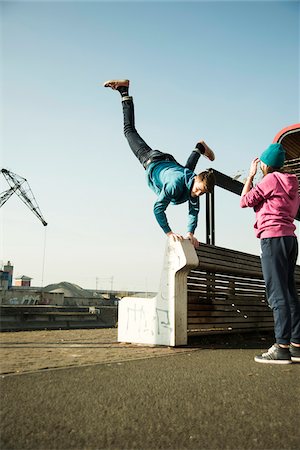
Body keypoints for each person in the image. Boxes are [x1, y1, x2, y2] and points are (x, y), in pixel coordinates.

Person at [103, 79, 216, 248]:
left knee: (186, 171)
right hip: (152, 159)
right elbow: (158, 209)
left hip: (173, 165)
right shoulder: (175, 185)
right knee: (129, 131)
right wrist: (169, 233)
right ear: (197, 180)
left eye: (202, 193)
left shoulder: (194, 185)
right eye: (199, 190)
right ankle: (124, 92)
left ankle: (199, 148)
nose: (198, 194)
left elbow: (194, 213)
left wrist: (190, 233)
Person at [240, 143, 300, 364]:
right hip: (290, 239)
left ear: (265, 164)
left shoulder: (270, 180)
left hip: (272, 239)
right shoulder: (292, 185)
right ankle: (296, 345)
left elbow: (244, 200)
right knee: (289, 292)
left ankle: (281, 347)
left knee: (277, 294)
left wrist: (250, 176)